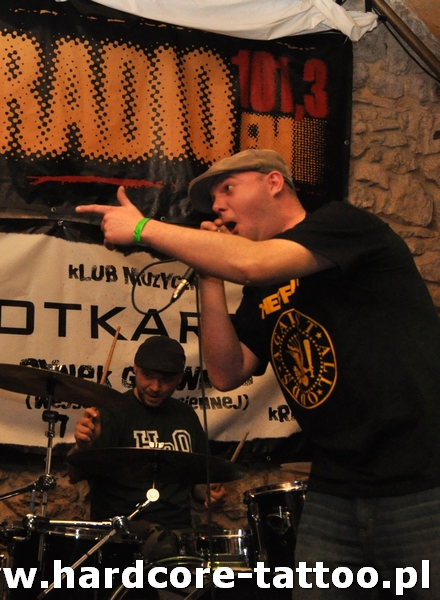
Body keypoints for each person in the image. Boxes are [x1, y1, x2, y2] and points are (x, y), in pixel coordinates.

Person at [76, 149, 440, 598]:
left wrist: (142, 229)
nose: (218, 207)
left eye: (228, 189)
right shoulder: (264, 287)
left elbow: (253, 262)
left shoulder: (342, 224)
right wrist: (210, 277)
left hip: (421, 477)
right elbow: (226, 372)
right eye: (213, 201)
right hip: (335, 485)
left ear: (273, 182)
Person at [70, 335, 224, 530]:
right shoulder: (110, 413)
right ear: (135, 368)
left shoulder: (186, 416)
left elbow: (198, 482)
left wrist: (208, 493)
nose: (155, 387)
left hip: (176, 532)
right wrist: (83, 447)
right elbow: (73, 475)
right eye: (148, 375)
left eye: (166, 379)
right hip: (120, 531)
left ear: (180, 377)